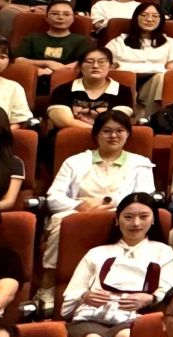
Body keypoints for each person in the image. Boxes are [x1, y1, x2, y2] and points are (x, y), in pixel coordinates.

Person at [60, 193, 173, 337]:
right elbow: (73, 292)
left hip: (137, 316)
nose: (135, 223)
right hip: (93, 316)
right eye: (128, 217)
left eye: (143, 217)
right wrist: (86, 295)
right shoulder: (98, 253)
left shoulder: (162, 251)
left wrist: (149, 298)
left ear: (153, 220)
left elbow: (168, 289)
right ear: (117, 219)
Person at [46, 109, 155, 269]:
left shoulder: (140, 163)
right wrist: (80, 206)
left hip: (121, 214)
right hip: (79, 213)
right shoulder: (74, 162)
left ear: (128, 134)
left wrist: (107, 204)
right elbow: (53, 197)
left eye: (120, 131)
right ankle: (51, 279)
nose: (113, 136)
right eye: (106, 131)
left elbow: (144, 198)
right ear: (96, 135)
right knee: (61, 224)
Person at [107, 0, 173, 110]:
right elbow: (107, 65)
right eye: (144, 15)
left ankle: (149, 116)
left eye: (155, 16)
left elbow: (171, 70)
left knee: (163, 78)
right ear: (135, 18)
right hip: (123, 83)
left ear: (161, 20)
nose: (149, 19)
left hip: (154, 84)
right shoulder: (118, 42)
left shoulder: (170, 43)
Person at [48, 43, 130, 130]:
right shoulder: (63, 90)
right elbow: (63, 120)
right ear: (80, 66)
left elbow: (117, 122)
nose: (95, 66)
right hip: (72, 135)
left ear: (110, 66)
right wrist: (95, 131)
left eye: (101, 61)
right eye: (89, 61)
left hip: (109, 137)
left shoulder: (123, 91)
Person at [10, 0, 90, 74]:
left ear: (73, 19)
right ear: (46, 18)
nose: (60, 17)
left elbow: (85, 61)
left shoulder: (81, 41)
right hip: (35, 75)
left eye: (66, 14)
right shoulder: (32, 38)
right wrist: (47, 63)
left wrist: (63, 70)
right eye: (55, 14)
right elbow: (18, 60)